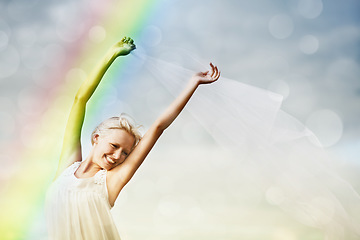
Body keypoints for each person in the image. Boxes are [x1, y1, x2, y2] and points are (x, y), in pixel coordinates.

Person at [45, 37, 220, 239]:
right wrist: (111, 54)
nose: (118, 155)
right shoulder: (66, 168)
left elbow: (157, 127)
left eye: (125, 152)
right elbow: (80, 100)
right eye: (114, 145)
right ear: (96, 138)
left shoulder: (109, 182)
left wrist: (193, 83)